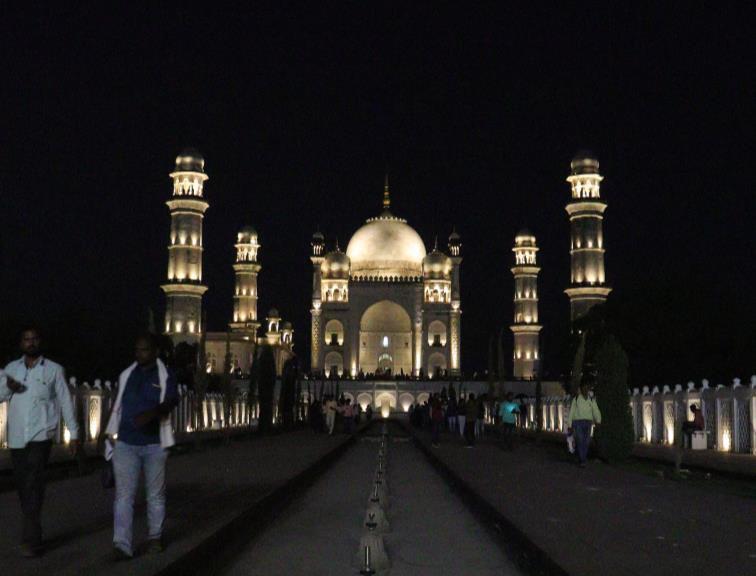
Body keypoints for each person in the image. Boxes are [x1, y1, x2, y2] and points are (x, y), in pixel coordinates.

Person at [0, 328, 81, 557]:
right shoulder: (11, 369)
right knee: (23, 485)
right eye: (26, 339)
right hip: (17, 436)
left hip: (41, 434)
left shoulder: (54, 369)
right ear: (21, 343)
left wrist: (74, 433)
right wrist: (8, 387)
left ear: (40, 342)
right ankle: (32, 528)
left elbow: (65, 400)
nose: (31, 343)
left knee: (33, 481)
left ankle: (32, 540)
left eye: (34, 339)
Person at [104, 333, 179, 559]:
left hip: (155, 444)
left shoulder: (165, 375)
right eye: (137, 350)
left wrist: (153, 413)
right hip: (126, 443)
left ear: (155, 351)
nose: (140, 354)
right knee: (123, 496)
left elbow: (172, 400)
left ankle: (155, 537)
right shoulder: (127, 374)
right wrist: (106, 433)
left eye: (144, 349)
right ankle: (122, 545)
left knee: (155, 495)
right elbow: (117, 404)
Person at [566, 381, 602, 468]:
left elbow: (595, 410)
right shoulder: (576, 399)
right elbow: (571, 412)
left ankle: (582, 458)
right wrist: (569, 425)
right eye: (584, 388)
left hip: (588, 423)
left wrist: (598, 421)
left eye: (587, 388)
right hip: (578, 422)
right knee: (580, 440)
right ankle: (583, 460)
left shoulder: (591, 400)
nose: (585, 390)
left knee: (586, 441)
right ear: (581, 389)